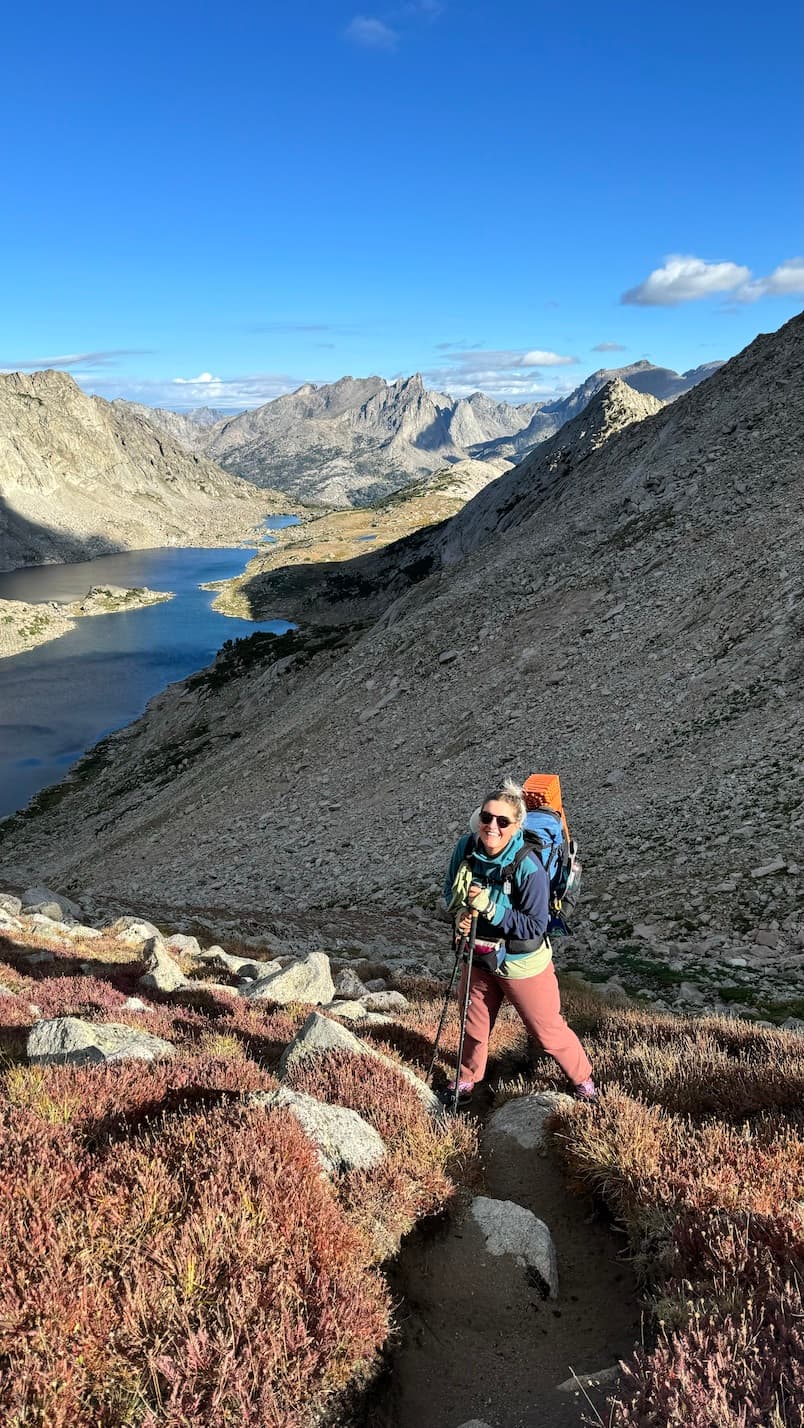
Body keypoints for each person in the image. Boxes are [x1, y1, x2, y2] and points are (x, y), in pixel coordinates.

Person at [443, 778, 597, 1106]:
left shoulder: (529, 868)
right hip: (478, 954)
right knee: (473, 1023)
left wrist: (490, 907)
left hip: (522, 963)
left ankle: (584, 1081)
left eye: (503, 821)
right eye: (487, 818)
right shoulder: (466, 848)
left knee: (547, 1031)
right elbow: (450, 893)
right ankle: (468, 1080)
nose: (492, 826)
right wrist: (460, 916)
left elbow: (535, 925)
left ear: (516, 826)